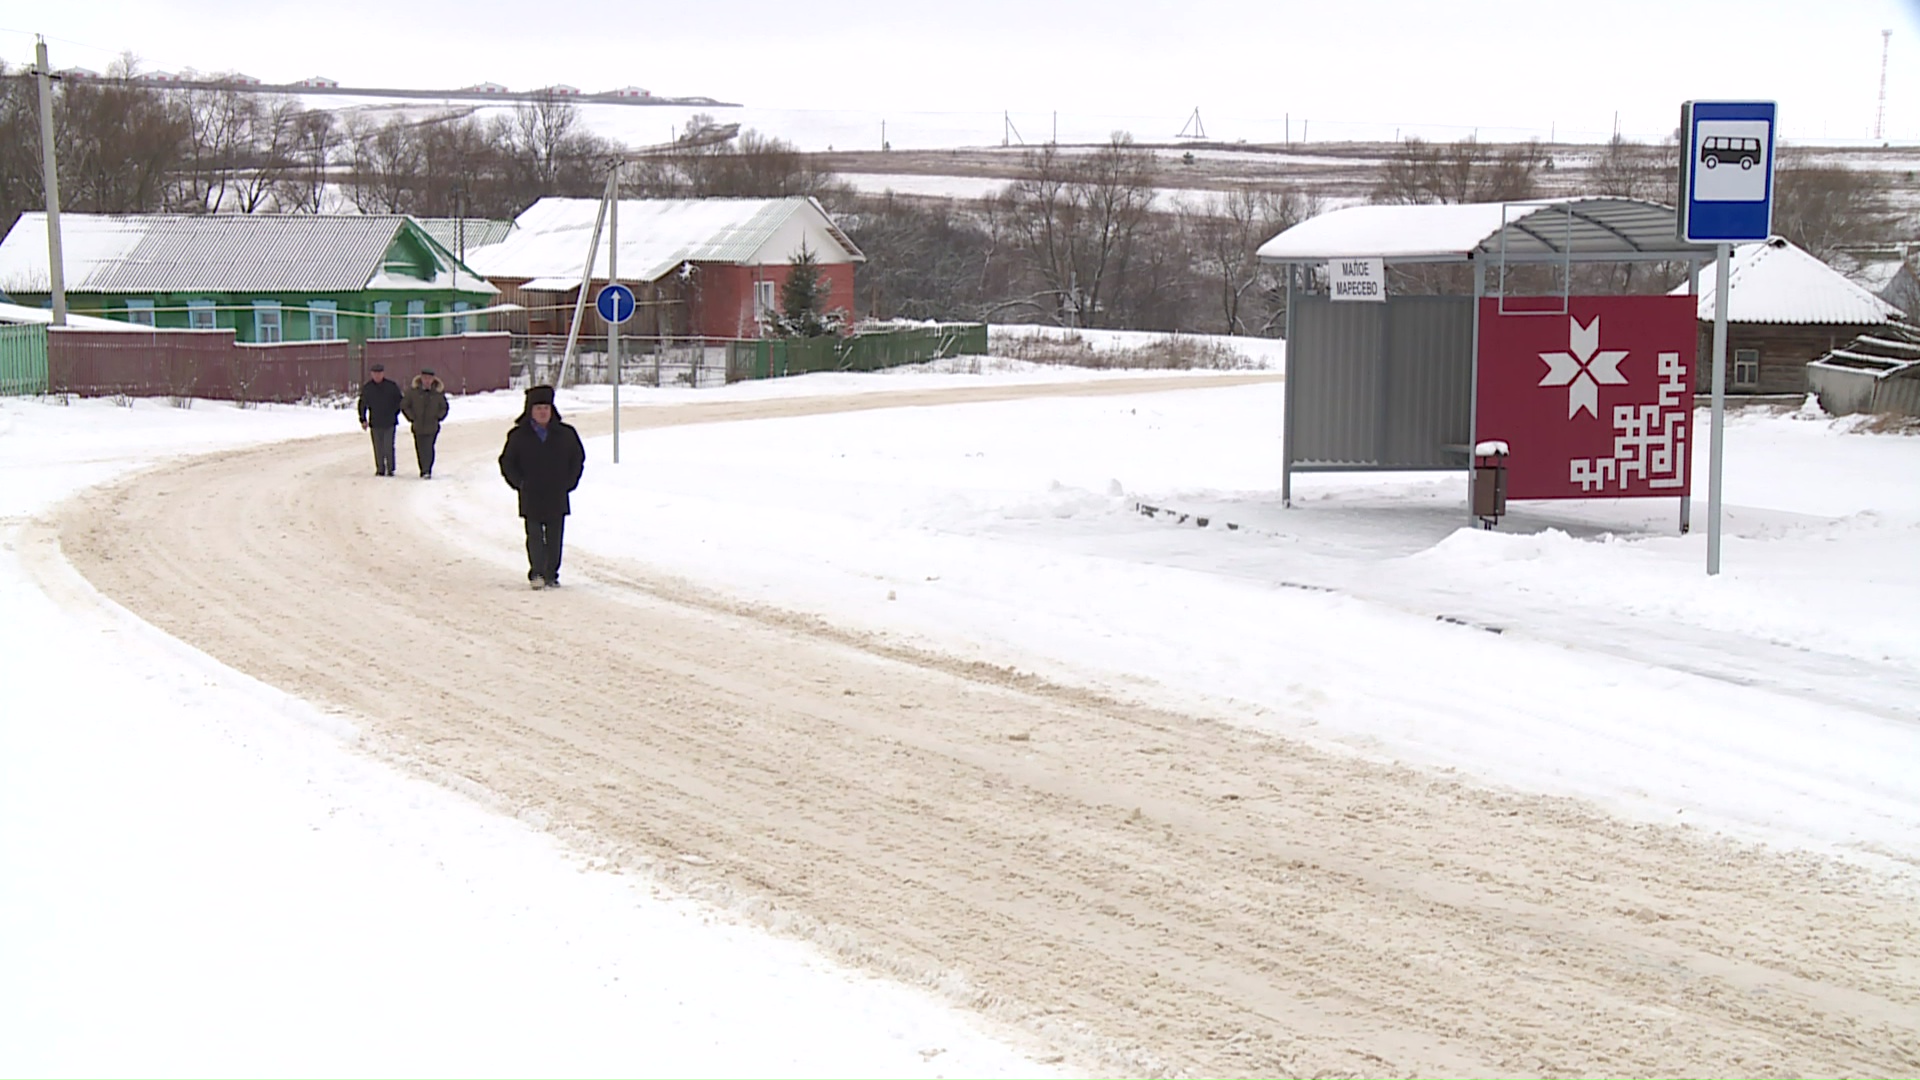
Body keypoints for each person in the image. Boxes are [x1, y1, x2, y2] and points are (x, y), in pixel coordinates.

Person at [498, 385, 585, 590]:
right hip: (531, 494)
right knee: (535, 536)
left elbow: (577, 459)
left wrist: (569, 482)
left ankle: (551, 573)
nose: (543, 412)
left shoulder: (565, 434)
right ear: (530, 411)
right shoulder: (518, 435)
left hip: (557, 493)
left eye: (546, 408)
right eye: (538, 409)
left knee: (555, 537)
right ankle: (536, 572)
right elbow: (507, 462)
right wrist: (519, 483)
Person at [400, 367, 450, 479]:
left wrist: (438, 417)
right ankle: (423, 468)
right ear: (421, 378)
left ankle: (427, 469)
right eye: (425, 378)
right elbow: (404, 405)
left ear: (433, 379)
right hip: (418, 426)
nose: (427, 380)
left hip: (432, 426)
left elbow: (444, 407)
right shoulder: (413, 392)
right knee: (420, 448)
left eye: (429, 378)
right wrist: (411, 417)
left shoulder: (437, 393)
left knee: (429, 447)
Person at [356, 363, 404, 477]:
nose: (377, 376)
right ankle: (380, 468)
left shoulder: (391, 386)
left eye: (379, 373)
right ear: (372, 374)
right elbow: (362, 404)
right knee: (378, 447)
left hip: (389, 422)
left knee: (388, 446)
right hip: (375, 422)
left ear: (383, 373)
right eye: (375, 374)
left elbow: (400, 402)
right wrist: (363, 419)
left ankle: (390, 468)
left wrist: (395, 413)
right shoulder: (368, 388)